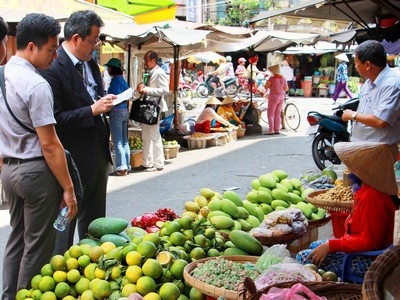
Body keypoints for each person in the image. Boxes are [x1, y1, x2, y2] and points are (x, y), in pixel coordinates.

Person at [0, 14, 78, 299]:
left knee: (16, 241)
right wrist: (68, 189)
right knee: (37, 245)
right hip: (35, 174)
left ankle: (9, 295)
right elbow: (50, 145)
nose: (55, 56)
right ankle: (26, 295)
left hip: (9, 171)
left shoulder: (2, 75)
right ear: (31, 47)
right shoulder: (37, 85)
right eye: (51, 49)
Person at [41, 10, 116, 254]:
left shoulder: (91, 64)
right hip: (71, 160)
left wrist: (104, 102)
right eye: (93, 41)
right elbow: (55, 119)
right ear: (76, 39)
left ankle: (92, 266)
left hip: (97, 155)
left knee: (95, 223)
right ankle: (60, 269)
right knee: (65, 225)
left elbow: (92, 97)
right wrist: (92, 110)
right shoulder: (53, 67)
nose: (95, 47)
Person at [296, 141, 399, 278]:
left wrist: (331, 246)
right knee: (315, 246)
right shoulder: (368, 190)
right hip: (371, 250)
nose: (347, 172)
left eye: (351, 168)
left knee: (303, 257)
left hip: (373, 260)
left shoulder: (372, 198)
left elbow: (369, 242)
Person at [341, 40, 400, 147]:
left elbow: (381, 121)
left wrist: (353, 115)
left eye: (356, 63)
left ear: (367, 65)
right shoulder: (368, 83)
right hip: (363, 147)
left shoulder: (391, 85)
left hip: (380, 151)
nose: (355, 66)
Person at [135, 50, 169, 172]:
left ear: (153, 60)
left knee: (154, 135)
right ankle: (147, 162)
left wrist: (147, 90)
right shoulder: (150, 72)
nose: (145, 62)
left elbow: (165, 89)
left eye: (147, 60)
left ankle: (159, 163)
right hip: (147, 107)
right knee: (146, 136)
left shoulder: (159, 73)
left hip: (154, 107)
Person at [105, 58, 131, 176]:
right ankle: (127, 166)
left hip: (116, 112)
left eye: (109, 67)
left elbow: (113, 98)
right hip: (125, 111)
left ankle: (121, 168)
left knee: (118, 141)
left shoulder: (115, 81)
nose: (108, 69)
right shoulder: (122, 80)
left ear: (112, 69)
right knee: (125, 140)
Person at [264, 64, 288, 135]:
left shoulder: (271, 79)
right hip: (281, 97)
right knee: (278, 113)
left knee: (271, 114)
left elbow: (266, 86)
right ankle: (277, 129)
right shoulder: (283, 78)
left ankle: (271, 130)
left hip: (273, 97)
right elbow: (286, 88)